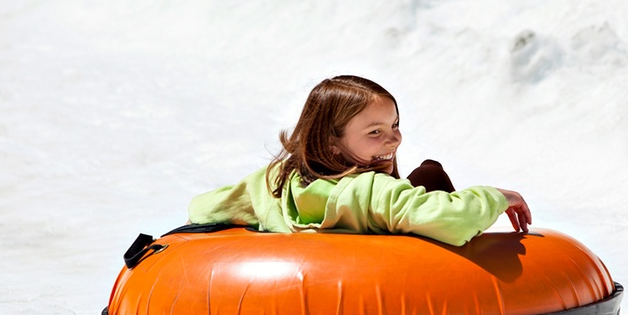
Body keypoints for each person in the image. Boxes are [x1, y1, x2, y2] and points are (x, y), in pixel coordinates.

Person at [187, 75, 531, 246]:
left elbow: (205, 209)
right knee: (431, 173)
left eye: (395, 126)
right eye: (375, 133)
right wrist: (499, 196)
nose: (393, 139)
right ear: (331, 142)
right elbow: (452, 219)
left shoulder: (275, 182)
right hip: (402, 275)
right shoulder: (373, 192)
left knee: (424, 173)